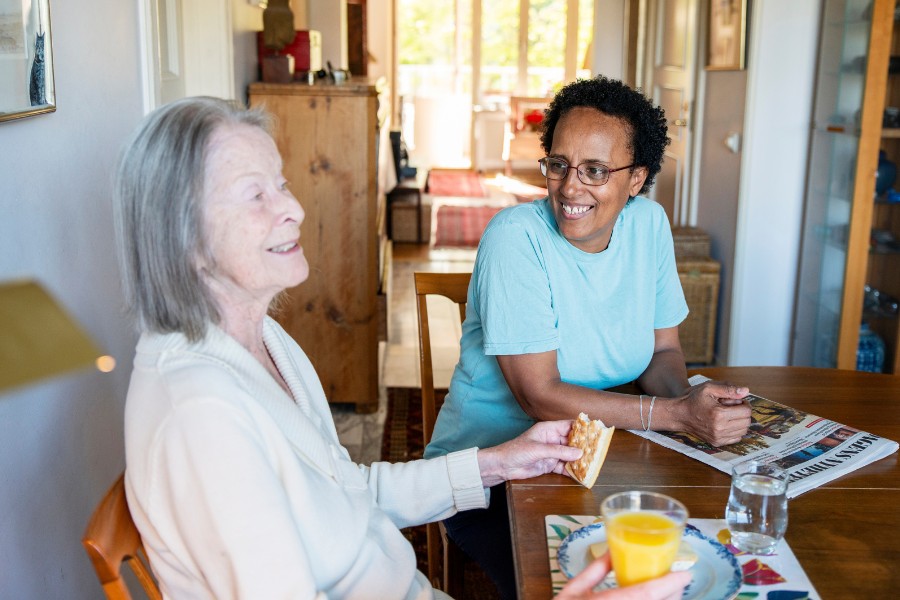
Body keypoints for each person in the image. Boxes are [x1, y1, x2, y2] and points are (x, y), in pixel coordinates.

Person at [113, 96, 690, 600]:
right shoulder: (200, 416)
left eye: (282, 184)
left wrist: (499, 462)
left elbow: (346, 491)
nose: (292, 208)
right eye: (254, 195)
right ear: (181, 235)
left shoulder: (265, 341)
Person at [424, 76, 752, 598]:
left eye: (595, 170)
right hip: (493, 476)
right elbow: (539, 395)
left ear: (636, 179)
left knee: (692, 568)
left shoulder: (649, 225)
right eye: (559, 164)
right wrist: (672, 416)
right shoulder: (515, 237)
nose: (571, 187)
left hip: (602, 459)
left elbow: (663, 352)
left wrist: (691, 405)